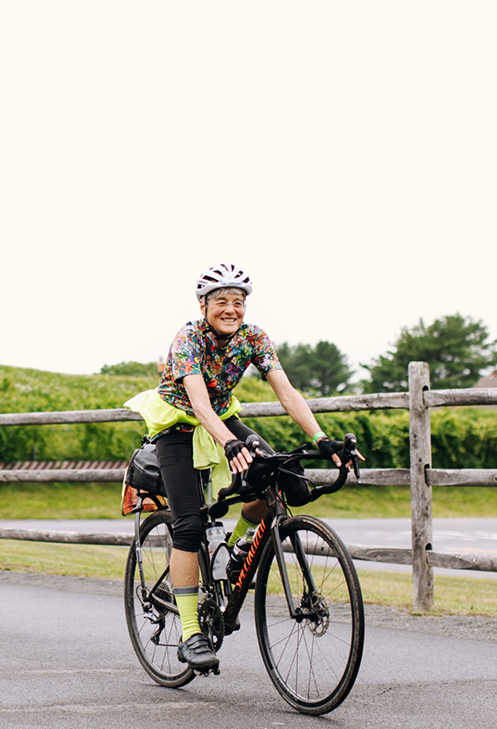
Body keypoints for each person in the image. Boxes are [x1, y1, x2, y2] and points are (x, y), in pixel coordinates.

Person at [124, 262, 357, 673]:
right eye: (221, 302)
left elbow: (286, 392)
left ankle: (235, 553)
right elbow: (197, 403)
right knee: (190, 525)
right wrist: (229, 442)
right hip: (178, 425)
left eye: (238, 302)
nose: (231, 309)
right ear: (203, 305)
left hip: (222, 416)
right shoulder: (188, 339)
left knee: (281, 478)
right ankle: (192, 632)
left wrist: (322, 439)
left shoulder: (254, 337)